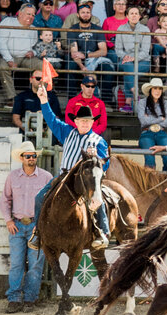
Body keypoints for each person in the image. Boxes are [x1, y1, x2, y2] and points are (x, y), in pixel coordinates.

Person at [30, 86, 110, 250]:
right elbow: (51, 119)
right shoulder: (67, 132)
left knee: (97, 200)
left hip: (85, 180)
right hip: (63, 177)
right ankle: (38, 232)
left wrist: (96, 158)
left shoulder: (98, 141)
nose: (85, 123)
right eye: (82, 121)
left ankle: (102, 232)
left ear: (93, 122)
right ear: (76, 122)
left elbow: (105, 163)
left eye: (88, 121)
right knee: (39, 198)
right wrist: (44, 100)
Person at [2, 142, 51, 312]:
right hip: (16, 225)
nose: (31, 159)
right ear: (21, 158)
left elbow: (51, 203)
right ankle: (14, 299)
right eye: (27, 156)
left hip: (36, 226)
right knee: (16, 264)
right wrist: (8, 220)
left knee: (36, 265)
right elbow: (5, 200)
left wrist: (42, 225)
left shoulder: (46, 177)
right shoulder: (13, 176)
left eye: (33, 156)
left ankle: (30, 299)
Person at [137, 78, 167, 170]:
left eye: (160, 89)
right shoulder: (142, 103)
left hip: (161, 133)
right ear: (150, 90)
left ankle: (165, 181)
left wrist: (150, 118)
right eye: (155, 88)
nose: (157, 91)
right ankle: (151, 184)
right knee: (150, 161)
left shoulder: (166, 103)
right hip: (147, 134)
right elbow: (143, 121)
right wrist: (160, 118)